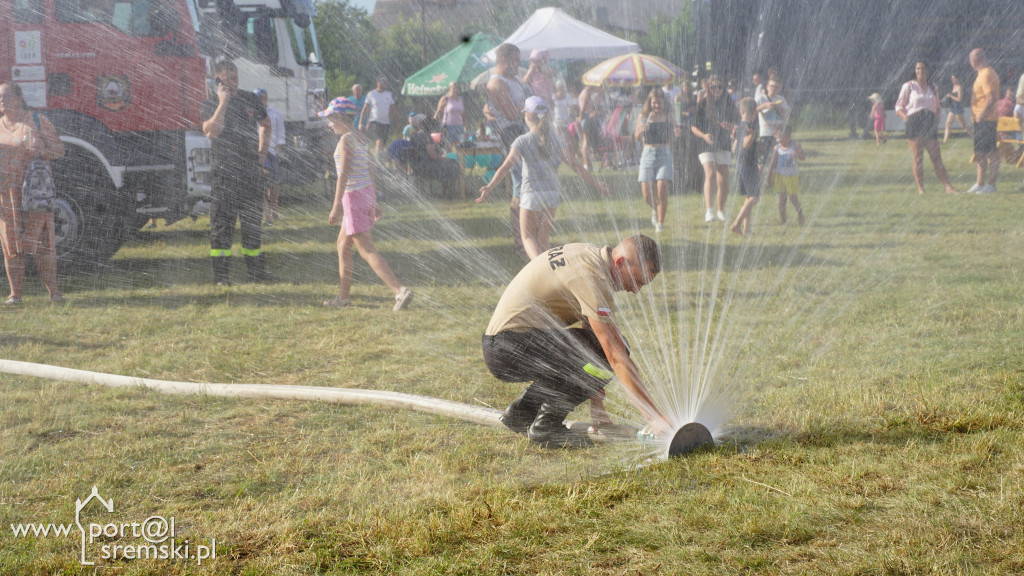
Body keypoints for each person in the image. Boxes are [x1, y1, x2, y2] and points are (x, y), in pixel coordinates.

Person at [482, 235, 672, 448]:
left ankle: (522, 412)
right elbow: (614, 356)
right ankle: (547, 427)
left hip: (505, 345)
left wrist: (597, 404)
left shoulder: (589, 256)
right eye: (637, 281)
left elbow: (590, 335)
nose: (636, 290)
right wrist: (653, 418)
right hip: (510, 347)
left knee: (592, 351)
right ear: (620, 263)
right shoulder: (593, 275)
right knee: (618, 349)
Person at [476, 96, 610, 259]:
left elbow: (505, 167)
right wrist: (596, 183)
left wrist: (489, 187)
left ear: (527, 116)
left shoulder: (522, 141)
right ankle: (550, 274)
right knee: (543, 239)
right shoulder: (555, 140)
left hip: (532, 195)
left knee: (527, 238)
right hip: (552, 195)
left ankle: (541, 269)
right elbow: (575, 165)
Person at [320, 97, 413, 311]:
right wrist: (374, 199)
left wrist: (335, 206)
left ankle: (399, 291)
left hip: (352, 198)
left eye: (331, 119)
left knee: (367, 250)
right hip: (363, 195)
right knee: (342, 245)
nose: (329, 124)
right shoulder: (361, 138)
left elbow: (343, 175)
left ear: (340, 117)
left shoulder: (345, 141)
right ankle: (343, 297)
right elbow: (370, 170)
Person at [202, 60, 273, 284]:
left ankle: (256, 272)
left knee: (252, 225)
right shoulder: (210, 103)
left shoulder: (250, 99)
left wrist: (262, 153)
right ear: (218, 80)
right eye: (227, 79)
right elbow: (211, 132)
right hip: (224, 175)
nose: (232, 83)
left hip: (250, 172)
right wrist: (223, 102)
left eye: (235, 78)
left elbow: (266, 124)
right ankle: (221, 276)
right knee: (222, 226)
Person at [0, 82, 65, 305]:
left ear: (19, 98)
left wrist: (40, 151)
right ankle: (15, 294)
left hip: (34, 192)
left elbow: (59, 150)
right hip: (6, 195)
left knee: (42, 244)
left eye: (6, 96)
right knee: (11, 244)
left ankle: (54, 292)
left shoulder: (37, 121)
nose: (1, 100)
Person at [486, 43, 532, 256]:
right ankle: (519, 243)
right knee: (520, 190)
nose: (519, 64)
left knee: (531, 187)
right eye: (516, 60)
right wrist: (532, 107)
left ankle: (531, 238)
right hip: (513, 136)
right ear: (504, 60)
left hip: (526, 134)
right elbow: (512, 114)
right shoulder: (496, 83)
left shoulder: (514, 80)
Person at [895, 61, 958, 195]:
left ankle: (948, 187)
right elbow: (898, 107)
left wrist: (936, 117)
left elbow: (937, 106)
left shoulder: (933, 87)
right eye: (918, 68)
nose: (920, 71)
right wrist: (907, 118)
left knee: (936, 157)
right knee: (918, 157)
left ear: (927, 71)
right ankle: (921, 188)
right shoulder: (909, 86)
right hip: (914, 121)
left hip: (929, 122)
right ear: (915, 70)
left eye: (923, 68)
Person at [691, 75, 737, 223]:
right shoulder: (703, 103)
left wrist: (731, 127)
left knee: (723, 178)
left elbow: (737, 121)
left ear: (724, 88)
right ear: (708, 89)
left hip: (723, 142)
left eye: (720, 87)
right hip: (706, 143)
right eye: (713, 87)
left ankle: (721, 210)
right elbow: (693, 126)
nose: (717, 90)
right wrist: (703, 136)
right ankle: (709, 210)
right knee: (710, 173)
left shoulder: (728, 103)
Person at [635, 88, 681, 234]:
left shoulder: (669, 116)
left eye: (659, 102)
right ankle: (655, 209)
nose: (657, 105)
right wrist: (640, 131)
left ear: (664, 103)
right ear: (650, 102)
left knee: (661, 189)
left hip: (664, 154)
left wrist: (677, 133)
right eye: (654, 102)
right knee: (647, 194)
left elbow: (676, 133)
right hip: (647, 154)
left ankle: (660, 223)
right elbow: (636, 136)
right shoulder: (643, 116)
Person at [968, 48, 1000, 194]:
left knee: (991, 152)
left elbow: (991, 98)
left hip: (986, 120)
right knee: (980, 152)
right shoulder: (983, 73)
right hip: (982, 120)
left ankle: (991, 185)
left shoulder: (986, 74)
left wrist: (980, 116)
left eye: (971, 60)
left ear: (975, 60)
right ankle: (980, 183)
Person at [408, 114, 461, 196]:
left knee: (451, 164)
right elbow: (433, 155)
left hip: (417, 166)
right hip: (427, 166)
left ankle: (447, 190)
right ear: (420, 123)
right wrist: (444, 157)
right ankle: (443, 191)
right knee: (454, 165)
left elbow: (441, 143)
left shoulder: (414, 135)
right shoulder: (425, 136)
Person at [255, 88, 285, 224]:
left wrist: (275, 149)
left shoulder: (275, 114)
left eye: (261, 97)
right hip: (258, 152)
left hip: (271, 152)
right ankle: (266, 214)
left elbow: (280, 134)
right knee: (260, 183)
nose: (260, 100)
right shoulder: (252, 113)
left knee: (273, 184)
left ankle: (274, 210)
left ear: (265, 98)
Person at [730, 98, 760, 236]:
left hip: (741, 163)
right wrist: (752, 136)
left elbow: (734, 147)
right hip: (749, 165)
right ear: (754, 112)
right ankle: (736, 224)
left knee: (749, 197)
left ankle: (747, 228)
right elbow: (745, 144)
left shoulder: (738, 126)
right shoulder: (749, 127)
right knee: (754, 197)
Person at [766, 125, 806, 226]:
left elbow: (803, 157)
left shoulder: (795, 145)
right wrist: (768, 178)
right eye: (776, 137)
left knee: (793, 198)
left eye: (779, 137)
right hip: (779, 177)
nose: (777, 139)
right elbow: (772, 164)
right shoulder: (777, 148)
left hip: (792, 177)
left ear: (787, 136)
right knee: (782, 200)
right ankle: (784, 222)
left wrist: (797, 154)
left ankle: (800, 214)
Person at [359, 77, 396, 167]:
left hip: (386, 122)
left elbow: (394, 108)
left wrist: (397, 120)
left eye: (385, 83)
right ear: (377, 83)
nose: (384, 84)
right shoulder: (371, 94)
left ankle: (381, 161)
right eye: (382, 82)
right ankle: (378, 162)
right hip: (375, 121)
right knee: (379, 140)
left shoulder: (388, 94)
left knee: (383, 143)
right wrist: (361, 123)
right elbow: (365, 109)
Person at [755, 77, 790, 166]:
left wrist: (778, 107)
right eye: (772, 86)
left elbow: (786, 115)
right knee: (762, 161)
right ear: (767, 87)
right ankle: (759, 179)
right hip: (765, 134)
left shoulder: (781, 99)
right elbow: (753, 111)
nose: (773, 89)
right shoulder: (761, 99)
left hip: (778, 135)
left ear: (780, 89)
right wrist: (765, 105)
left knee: (777, 160)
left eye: (777, 87)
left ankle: (773, 178)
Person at [433, 82, 464, 149]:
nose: (456, 89)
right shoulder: (445, 99)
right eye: (454, 88)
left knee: (459, 147)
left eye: (457, 88)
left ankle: (458, 159)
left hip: (459, 126)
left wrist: (465, 125)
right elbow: (438, 111)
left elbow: (463, 114)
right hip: (448, 127)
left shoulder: (460, 99)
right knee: (448, 147)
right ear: (449, 89)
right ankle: (448, 159)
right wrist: (432, 123)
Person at [944, 74, 970, 142]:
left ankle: (973, 136)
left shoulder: (959, 87)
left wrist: (951, 96)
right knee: (947, 123)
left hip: (958, 108)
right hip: (953, 108)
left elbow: (959, 99)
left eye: (953, 78)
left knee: (963, 125)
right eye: (951, 78)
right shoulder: (953, 87)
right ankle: (945, 141)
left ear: (957, 79)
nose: (952, 80)